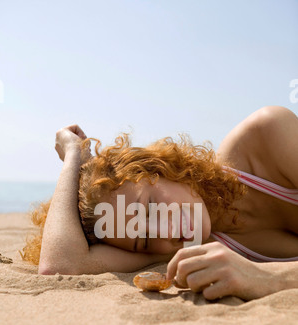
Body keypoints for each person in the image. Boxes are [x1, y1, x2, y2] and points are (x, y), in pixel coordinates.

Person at [21, 106, 298, 301]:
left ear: (158, 169)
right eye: (144, 239)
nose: (165, 232)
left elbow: (264, 277)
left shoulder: (265, 136)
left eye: (151, 207)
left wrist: (265, 277)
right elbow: (60, 265)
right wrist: (73, 157)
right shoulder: (189, 249)